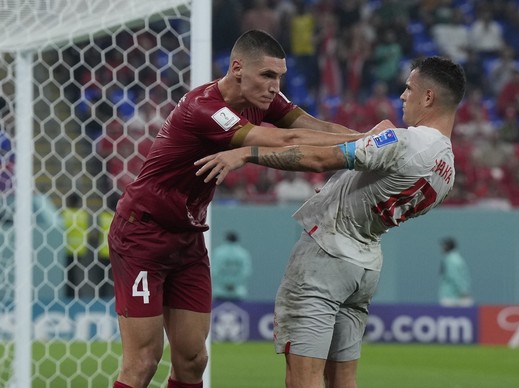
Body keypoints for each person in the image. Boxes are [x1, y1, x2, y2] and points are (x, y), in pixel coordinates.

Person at [107, 29, 382, 388]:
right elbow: (287, 140)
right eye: (268, 75)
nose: (275, 85)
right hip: (144, 234)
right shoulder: (204, 108)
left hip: (187, 240)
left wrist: (370, 138)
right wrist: (372, 142)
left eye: (280, 76)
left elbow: (314, 127)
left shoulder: (264, 100)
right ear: (238, 68)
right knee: (143, 361)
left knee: (193, 360)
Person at [196, 56, 466, 388]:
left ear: (428, 98)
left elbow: (322, 157)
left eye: (409, 88)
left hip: (325, 259)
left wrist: (245, 154)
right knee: (343, 380)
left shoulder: (404, 141)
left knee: (303, 379)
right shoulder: (448, 171)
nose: (402, 96)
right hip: (365, 267)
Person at [211, 231, 253, 302]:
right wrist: (234, 284)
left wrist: (225, 284)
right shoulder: (243, 254)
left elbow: (214, 270)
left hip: (220, 291)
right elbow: (246, 272)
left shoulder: (218, 252)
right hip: (237, 292)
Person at [438, 237, 473, 307]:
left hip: (452, 297)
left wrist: (463, 292)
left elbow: (455, 277)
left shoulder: (451, 260)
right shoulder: (457, 258)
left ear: (447, 246)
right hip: (455, 296)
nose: (441, 248)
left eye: (443, 245)